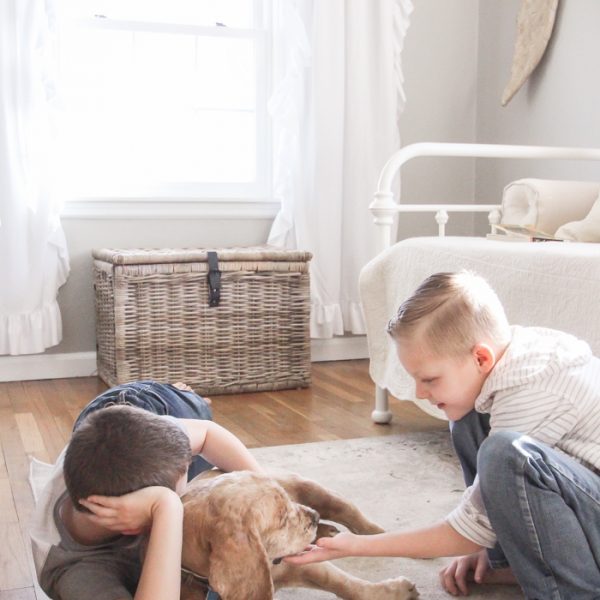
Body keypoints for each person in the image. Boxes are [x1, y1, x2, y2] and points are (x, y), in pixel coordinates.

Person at [286, 271, 600, 598]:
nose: (420, 393)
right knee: (466, 416)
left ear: (481, 357)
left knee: (506, 455)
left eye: (430, 379)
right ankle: (504, 560)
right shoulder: (509, 358)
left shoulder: (535, 389)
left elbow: (464, 530)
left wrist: (357, 545)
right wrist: (482, 541)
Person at [29, 380, 262, 600]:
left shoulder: (133, 439)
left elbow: (208, 433)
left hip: (138, 404)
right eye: (166, 499)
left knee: (196, 409)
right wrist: (168, 506)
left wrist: (268, 492)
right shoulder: (74, 572)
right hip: (119, 441)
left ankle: (177, 392)